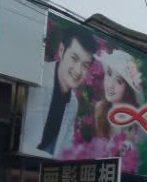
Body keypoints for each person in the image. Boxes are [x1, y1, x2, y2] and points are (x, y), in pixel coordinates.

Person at [21, 28, 96, 158]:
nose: (78, 71)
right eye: (74, 58)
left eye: (85, 65)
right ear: (61, 51)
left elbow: (64, 146)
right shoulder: (38, 77)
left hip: (44, 169)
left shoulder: (73, 103)